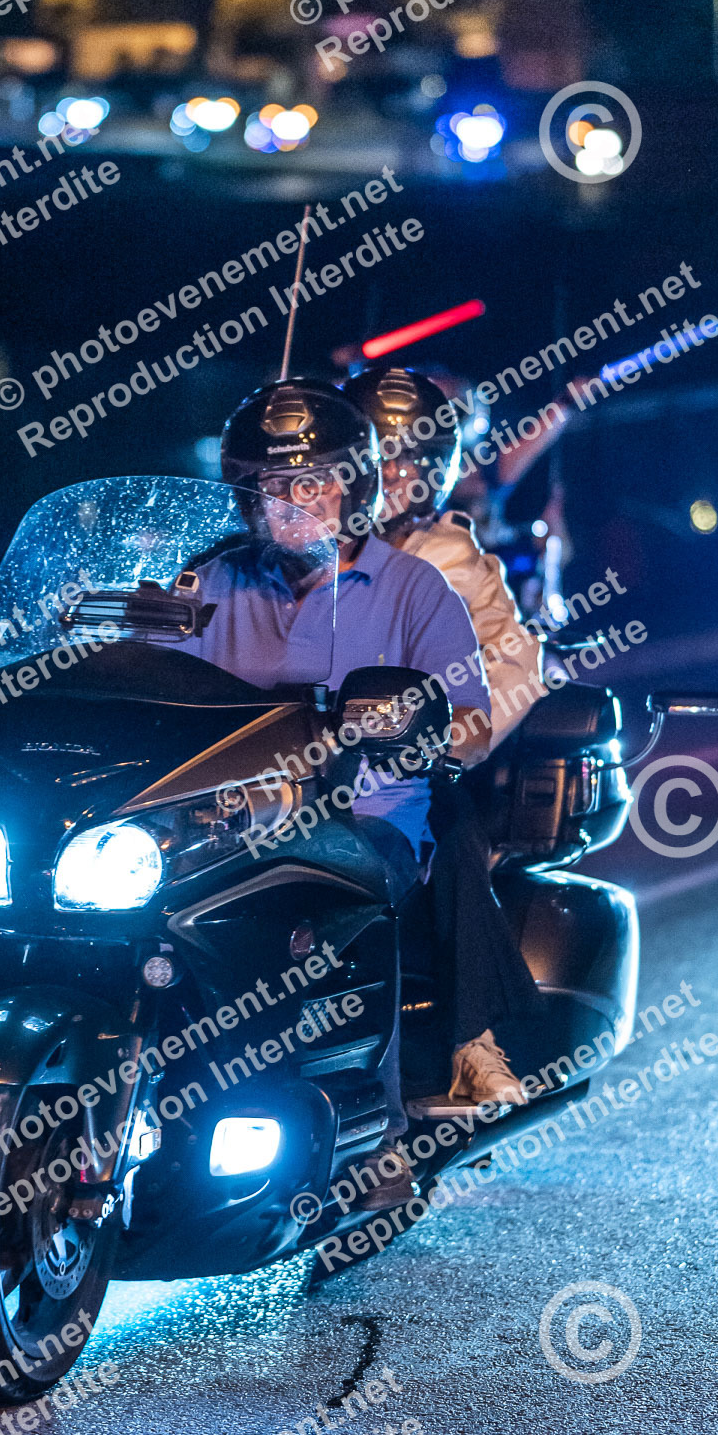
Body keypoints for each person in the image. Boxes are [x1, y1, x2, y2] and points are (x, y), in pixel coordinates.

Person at [197, 380, 539, 1205]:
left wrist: (418, 733)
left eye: (311, 482)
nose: (291, 503)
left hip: (366, 811)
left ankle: (378, 1134)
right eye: (270, 486)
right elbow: (135, 658)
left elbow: (472, 709)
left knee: (344, 896)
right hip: (228, 814)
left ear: (352, 485)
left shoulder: (418, 583)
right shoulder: (213, 581)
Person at [340, 364, 545, 748]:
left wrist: (440, 748)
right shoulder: (309, 550)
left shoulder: (449, 555)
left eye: (409, 458)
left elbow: (514, 666)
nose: (393, 473)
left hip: (398, 758)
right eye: (378, 455)